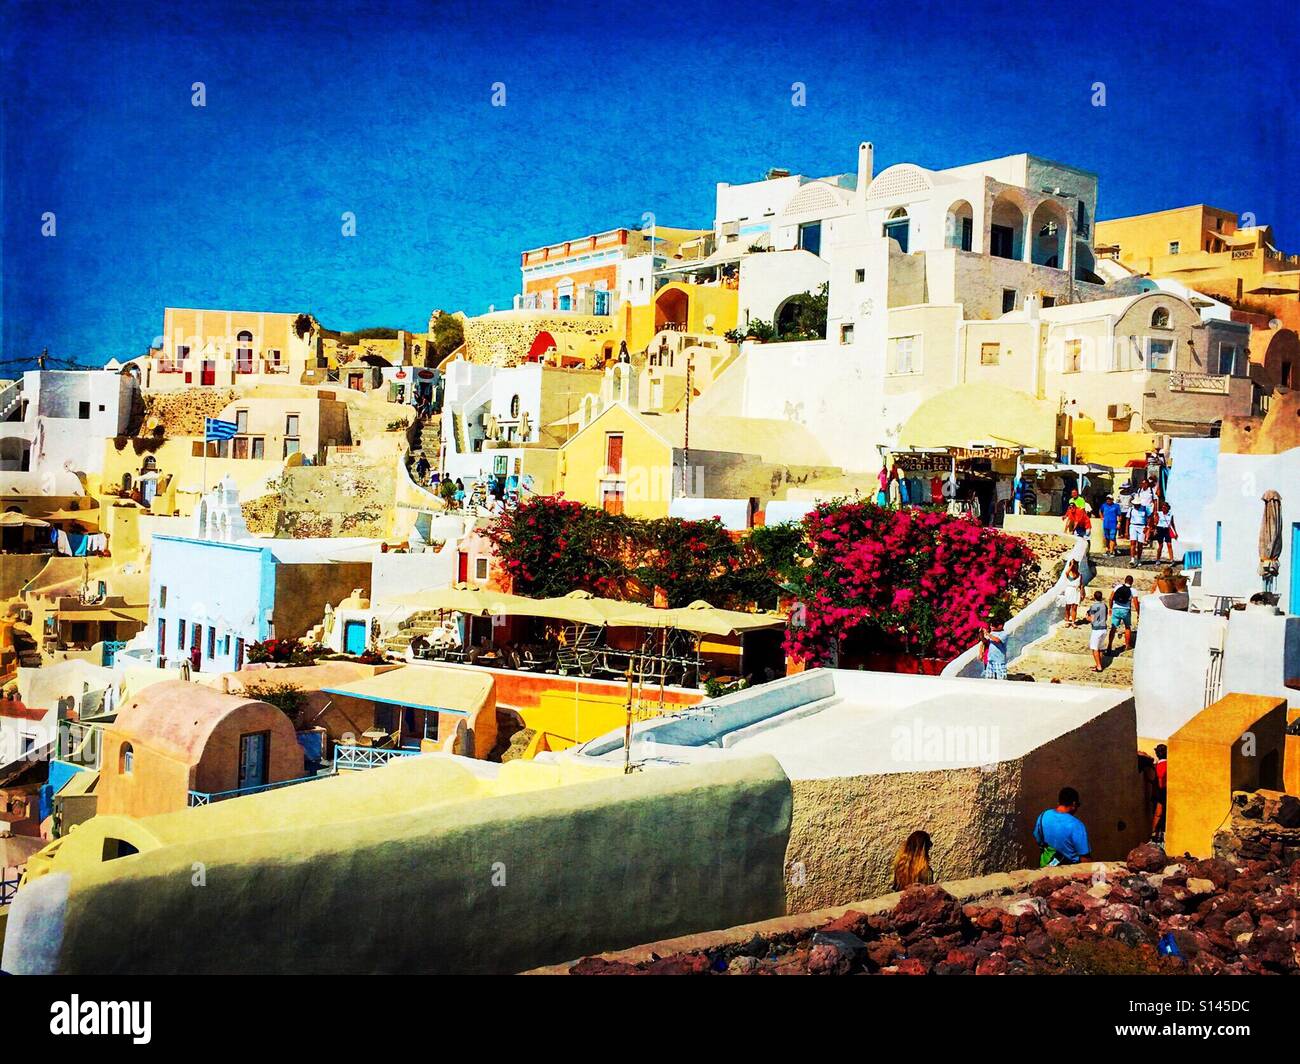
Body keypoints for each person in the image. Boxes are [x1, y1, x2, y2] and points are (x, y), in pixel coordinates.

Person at [1033, 787, 1092, 866]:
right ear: (1074, 804)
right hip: (1068, 872)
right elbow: (1085, 859)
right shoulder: (1077, 825)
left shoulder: (1043, 816)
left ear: (1059, 802)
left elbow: (1038, 839)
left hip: (1045, 867)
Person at [1107, 575, 1139, 654]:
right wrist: (1138, 613)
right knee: (1127, 627)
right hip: (1126, 610)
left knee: (1113, 628)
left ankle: (1109, 645)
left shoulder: (1118, 587)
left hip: (1116, 609)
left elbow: (1111, 598)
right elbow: (1136, 603)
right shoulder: (1133, 590)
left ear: (1125, 580)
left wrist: (1110, 608)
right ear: (1132, 582)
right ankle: (1127, 645)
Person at [980, 614, 1008, 679]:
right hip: (990, 660)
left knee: (1001, 678)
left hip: (999, 661)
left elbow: (997, 640)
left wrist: (988, 634)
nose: (991, 626)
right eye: (991, 624)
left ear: (1000, 626)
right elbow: (985, 641)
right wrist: (981, 634)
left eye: (993, 625)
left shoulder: (1004, 634)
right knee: (989, 678)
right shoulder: (992, 633)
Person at [1086, 590, 1108, 672]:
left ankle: (1099, 667)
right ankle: (1099, 664)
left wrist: (1086, 618)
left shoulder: (1093, 607)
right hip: (1104, 629)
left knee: (1094, 648)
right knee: (1100, 648)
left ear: (1094, 597)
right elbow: (1105, 618)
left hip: (1096, 630)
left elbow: (1091, 619)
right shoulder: (1105, 606)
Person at [1151, 744, 1168, 844]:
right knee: (1160, 813)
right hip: (1163, 791)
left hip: (1159, 792)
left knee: (1158, 814)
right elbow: (1161, 780)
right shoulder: (1165, 764)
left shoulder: (1158, 765)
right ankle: (1156, 834)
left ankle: (1153, 834)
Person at [1061, 559, 1082, 625]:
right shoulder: (1068, 574)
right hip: (1069, 590)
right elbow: (1066, 572)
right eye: (1073, 565)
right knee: (1068, 607)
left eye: (1075, 565)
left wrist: (1082, 593)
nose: (1074, 567)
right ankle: (1067, 621)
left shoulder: (1080, 575)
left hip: (1076, 591)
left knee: (1074, 607)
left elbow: (1081, 585)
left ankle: (1073, 622)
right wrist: (1071, 565)